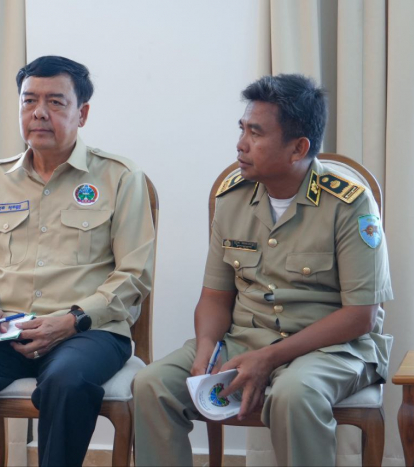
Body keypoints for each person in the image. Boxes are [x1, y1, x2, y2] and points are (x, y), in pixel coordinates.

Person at [133, 74, 393, 466]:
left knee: (295, 395)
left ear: (298, 148)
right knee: (152, 385)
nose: (241, 144)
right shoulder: (232, 198)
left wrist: (269, 358)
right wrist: (205, 347)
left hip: (331, 349)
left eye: (256, 133)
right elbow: (215, 297)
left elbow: (360, 316)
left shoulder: (349, 203)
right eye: (242, 129)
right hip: (245, 340)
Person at [0, 56, 155, 467]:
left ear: (82, 113)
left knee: (67, 381)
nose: (39, 113)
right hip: (7, 329)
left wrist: (72, 319)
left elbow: (134, 274)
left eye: (55, 102)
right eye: (29, 101)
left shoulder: (119, 177)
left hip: (89, 331)